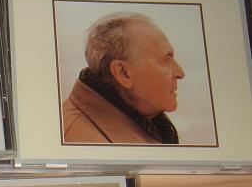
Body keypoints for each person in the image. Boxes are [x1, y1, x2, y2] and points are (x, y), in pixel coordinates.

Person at [62, 12, 185, 144]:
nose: (181, 73)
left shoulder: (146, 120)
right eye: (166, 60)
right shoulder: (81, 140)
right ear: (123, 73)